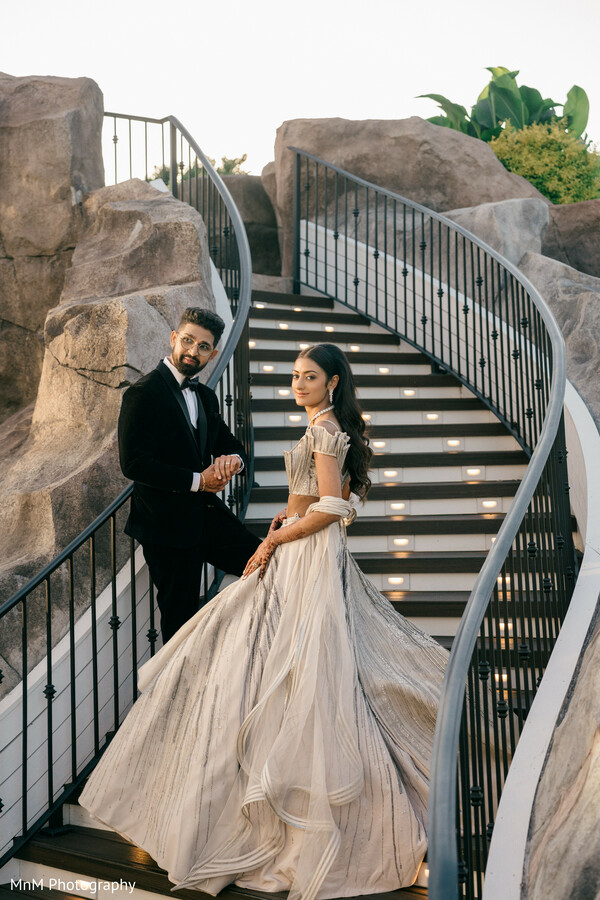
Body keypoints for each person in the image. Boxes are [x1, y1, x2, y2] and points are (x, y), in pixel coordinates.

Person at [80, 342, 448, 900]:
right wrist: (286, 515)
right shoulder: (323, 427)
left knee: (283, 659)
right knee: (260, 653)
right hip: (301, 547)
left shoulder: (325, 430)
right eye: (295, 375)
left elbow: (334, 506)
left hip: (306, 557)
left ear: (333, 383)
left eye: (310, 377)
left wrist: (275, 539)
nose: (298, 384)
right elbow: (320, 498)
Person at [118, 306, 260, 642]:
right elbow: (134, 463)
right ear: (174, 338)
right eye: (188, 341)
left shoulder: (206, 397)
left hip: (206, 518)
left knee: (266, 563)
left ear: (213, 354)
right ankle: (176, 678)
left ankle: (240, 648)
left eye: (203, 346)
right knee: (179, 622)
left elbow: (233, 447)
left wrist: (231, 463)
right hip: (164, 527)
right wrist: (200, 481)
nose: (193, 351)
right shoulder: (142, 393)